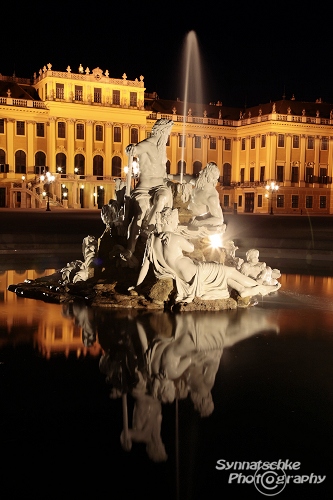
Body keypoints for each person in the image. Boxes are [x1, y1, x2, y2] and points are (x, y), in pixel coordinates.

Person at [136, 208, 280, 303]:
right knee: (229, 270)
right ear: (169, 221)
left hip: (186, 273)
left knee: (221, 270)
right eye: (175, 220)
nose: (177, 222)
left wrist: (137, 286)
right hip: (194, 274)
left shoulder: (152, 239)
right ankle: (261, 287)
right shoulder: (175, 237)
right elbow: (191, 248)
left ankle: (243, 290)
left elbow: (145, 265)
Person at [123, 118, 174, 259]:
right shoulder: (148, 143)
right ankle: (130, 248)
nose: (168, 135)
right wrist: (131, 149)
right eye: (168, 132)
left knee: (163, 198)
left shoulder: (161, 148)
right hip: (144, 187)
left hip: (160, 185)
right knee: (140, 212)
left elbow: (162, 170)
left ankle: (147, 231)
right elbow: (135, 149)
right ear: (162, 131)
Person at [188, 162, 224, 228]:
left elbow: (220, 219)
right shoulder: (200, 184)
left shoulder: (212, 197)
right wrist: (169, 176)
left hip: (187, 217)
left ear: (209, 177)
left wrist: (201, 222)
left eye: (204, 172)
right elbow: (187, 178)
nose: (200, 173)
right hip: (182, 211)